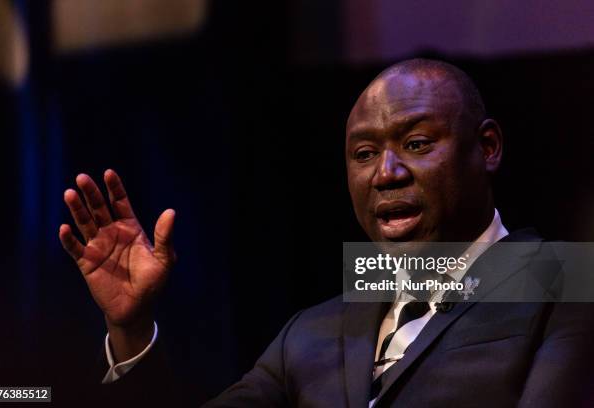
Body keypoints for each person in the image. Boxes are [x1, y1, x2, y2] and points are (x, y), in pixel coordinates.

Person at [59, 59, 594, 407]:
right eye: (364, 154)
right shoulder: (312, 330)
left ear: (488, 147)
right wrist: (132, 330)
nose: (386, 173)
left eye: (416, 143)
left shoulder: (567, 286)